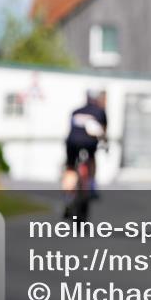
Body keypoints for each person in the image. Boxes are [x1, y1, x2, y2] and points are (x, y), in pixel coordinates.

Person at [62, 89, 107, 218]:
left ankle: (68, 197)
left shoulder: (76, 111)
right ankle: (92, 185)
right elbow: (103, 132)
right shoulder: (100, 112)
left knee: (70, 168)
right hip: (89, 144)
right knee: (92, 160)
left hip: (72, 142)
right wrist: (106, 144)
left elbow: (70, 129)